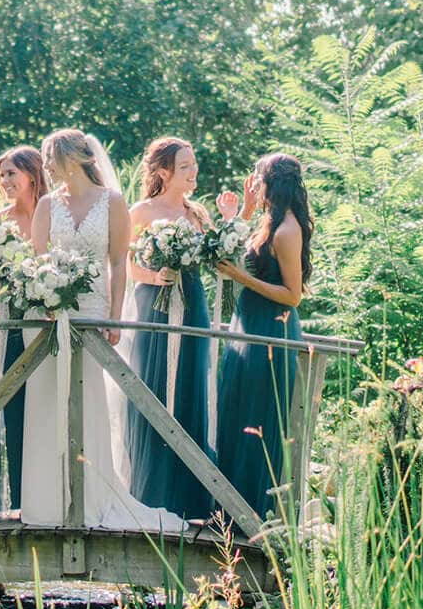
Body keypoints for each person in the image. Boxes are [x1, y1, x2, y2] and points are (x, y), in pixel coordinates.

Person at [19, 129, 186, 532]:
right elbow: (37, 262)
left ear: (72, 158)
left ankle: (91, 498)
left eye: (50, 158)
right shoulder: (46, 205)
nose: (46, 166)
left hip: (94, 314)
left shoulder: (112, 202)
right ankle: (46, 505)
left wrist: (114, 315)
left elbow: (117, 264)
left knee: (89, 404)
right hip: (50, 316)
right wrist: (44, 301)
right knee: (46, 403)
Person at [213, 153, 312, 521]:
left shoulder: (287, 230)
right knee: (236, 406)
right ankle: (226, 506)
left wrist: (242, 279)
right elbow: (229, 245)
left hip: (272, 326)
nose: (251, 180)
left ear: (274, 181)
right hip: (248, 323)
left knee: (258, 413)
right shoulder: (267, 221)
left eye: (257, 176)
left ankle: (253, 513)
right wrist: (248, 207)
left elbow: (293, 294)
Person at [123, 137, 218, 521]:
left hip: (193, 306)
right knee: (154, 387)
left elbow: (216, 259)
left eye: (194, 164)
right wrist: (154, 275)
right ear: (163, 171)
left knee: (190, 386)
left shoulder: (197, 214)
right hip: (154, 307)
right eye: (185, 166)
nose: (193, 172)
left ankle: (192, 498)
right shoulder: (141, 211)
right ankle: (150, 493)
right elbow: (126, 266)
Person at [0, 146, 48, 511]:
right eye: (3, 175)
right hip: (9, 321)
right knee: (18, 407)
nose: (6, 182)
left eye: (13, 174)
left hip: (49, 318)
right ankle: (24, 500)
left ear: (33, 174)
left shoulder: (53, 211)